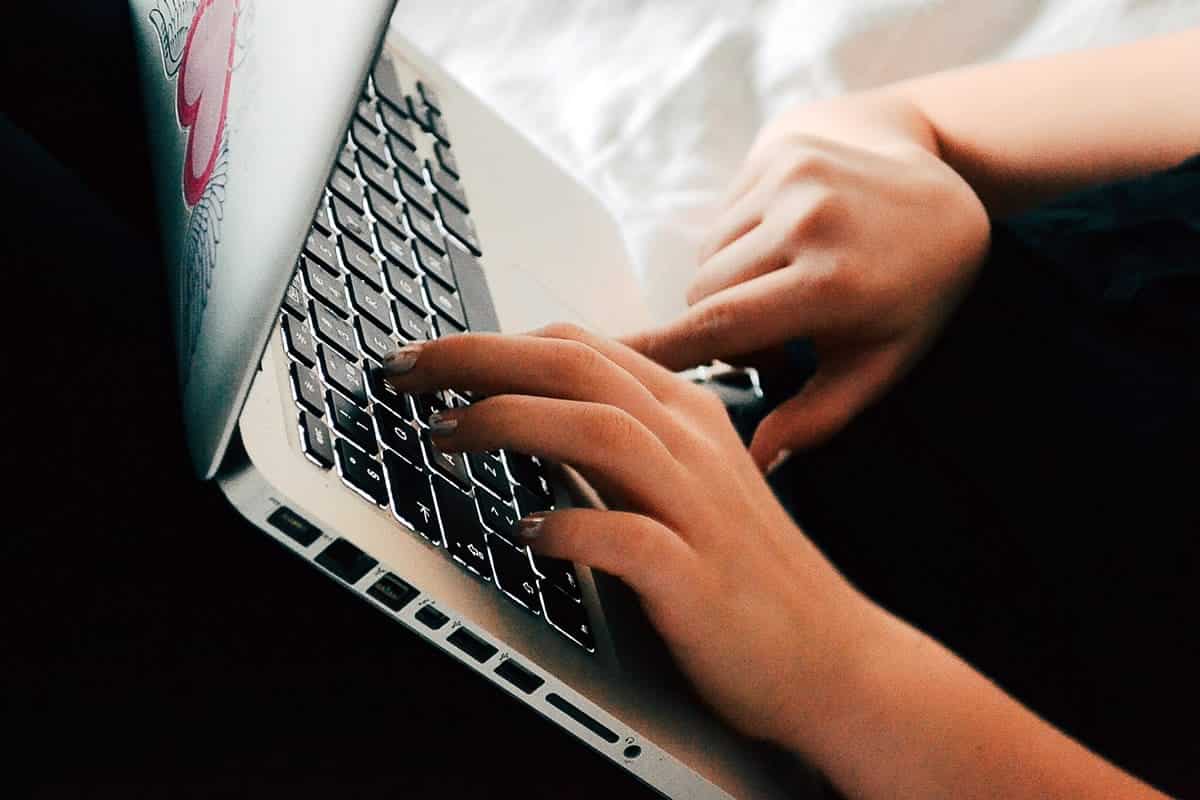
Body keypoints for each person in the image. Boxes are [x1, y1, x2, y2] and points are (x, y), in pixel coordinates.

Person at [377, 27, 1200, 798]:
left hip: (772, 730)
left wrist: (838, 672)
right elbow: (884, 125)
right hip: (676, 479)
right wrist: (915, 196)